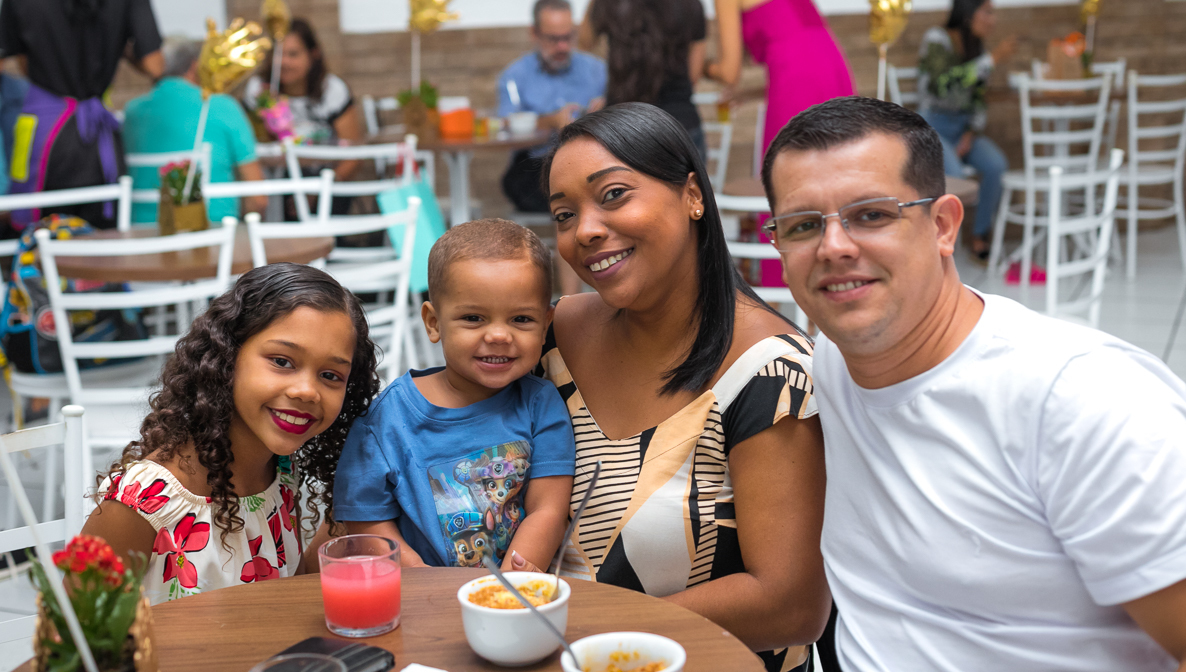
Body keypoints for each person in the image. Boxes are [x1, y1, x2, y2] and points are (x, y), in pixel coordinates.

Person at [762, 96, 1186, 671]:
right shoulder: (829, 366)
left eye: (872, 214)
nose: (835, 247)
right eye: (803, 226)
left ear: (942, 226)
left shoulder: (1083, 400)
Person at [528, 103, 828, 672]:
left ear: (693, 196)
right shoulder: (551, 338)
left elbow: (792, 604)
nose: (585, 230)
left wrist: (583, 630)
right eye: (564, 215)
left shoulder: (771, 372)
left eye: (613, 194)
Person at [82, 263, 380, 604]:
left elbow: (283, 594)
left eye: (330, 375)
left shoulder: (281, 471)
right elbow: (75, 637)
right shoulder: (142, 502)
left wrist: (351, 506)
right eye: (282, 362)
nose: (306, 391)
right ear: (226, 357)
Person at [334, 219, 574, 571]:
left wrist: (510, 587)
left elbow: (547, 510)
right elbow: (366, 521)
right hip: (420, 603)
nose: (498, 335)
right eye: (474, 318)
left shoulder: (540, 405)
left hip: (515, 599)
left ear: (546, 324)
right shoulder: (386, 421)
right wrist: (423, 583)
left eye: (521, 319)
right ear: (433, 323)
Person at [704, 0, 856, 291]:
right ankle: (841, 278)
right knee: (836, 183)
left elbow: (729, 71)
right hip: (833, 68)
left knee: (785, 187)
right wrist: (755, 92)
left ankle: (788, 294)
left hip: (795, 77)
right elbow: (801, 45)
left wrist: (700, 66)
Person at [0, 0, 163, 229]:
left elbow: (12, 58)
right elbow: (154, 65)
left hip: (41, 132)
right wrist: (118, 44)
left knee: (38, 236)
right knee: (101, 242)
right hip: (98, 143)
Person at [497, 0, 606, 296]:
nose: (562, 46)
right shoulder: (514, 76)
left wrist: (605, 111)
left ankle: (590, 300)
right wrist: (549, 122)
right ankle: (574, 304)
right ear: (534, 34)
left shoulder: (596, 70)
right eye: (553, 38)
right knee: (572, 200)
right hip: (533, 167)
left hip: (590, 165)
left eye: (567, 36)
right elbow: (505, 126)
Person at [124, 38, 267, 226]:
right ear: (195, 66)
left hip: (142, 236)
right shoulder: (222, 106)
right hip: (213, 235)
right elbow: (258, 199)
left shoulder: (131, 112)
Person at [918, 0, 1016, 261]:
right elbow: (941, 85)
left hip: (962, 128)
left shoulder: (977, 48)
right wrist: (992, 60)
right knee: (957, 176)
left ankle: (978, 235)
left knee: (996, 165)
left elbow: (977, 99)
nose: (992, 20)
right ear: (968, 13)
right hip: (933, 127)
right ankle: (944, 248)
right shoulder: (936, 39)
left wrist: (971, 132)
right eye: (987, 12)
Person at [243, 18, 362, 215]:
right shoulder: (259, 91)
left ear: (313, 54)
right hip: (275, 183)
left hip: (325, 181)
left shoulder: (332, 91)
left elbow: (353, 156)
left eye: (293, 54)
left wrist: (317, 192)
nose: (283, 62)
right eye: (278, 54)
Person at [583, 0, 709, 160]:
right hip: (679, 124)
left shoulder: (609, 3)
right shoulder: (691, 4)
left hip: (621, 126)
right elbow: (694, 73)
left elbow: (585, 41)